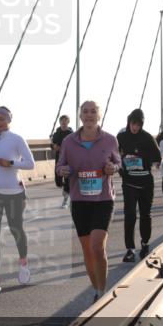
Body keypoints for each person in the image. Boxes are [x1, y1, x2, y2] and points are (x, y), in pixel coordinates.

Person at [57, 100, 121, 302]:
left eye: (93, 111)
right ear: (80, 116)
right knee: (86, 249)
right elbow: (60, 167)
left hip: (103, 199)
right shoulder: (68, 141)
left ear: (99, 116)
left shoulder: (110, 140)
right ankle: (96, 288)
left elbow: (118, 162)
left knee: (97, 246)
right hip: (79, 200)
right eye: (85, 111)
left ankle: (103, 292)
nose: (89, 115)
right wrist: (63, 170)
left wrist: (113, 168)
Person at [0, 106, 35, 291]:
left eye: (2, 118)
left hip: (14, 193)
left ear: (9, 120)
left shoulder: (17, 139)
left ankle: (24, 263)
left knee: (16, 229)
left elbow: (30, 163)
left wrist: (10, 163)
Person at [116, 109, 161, 262]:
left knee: (145, 215)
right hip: (129, 182)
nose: (135, 127)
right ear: (129, 122)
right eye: (133, 124)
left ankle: (145, 244)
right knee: (129, 215)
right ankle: (130, 249)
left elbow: (157, 156)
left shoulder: (147, 137)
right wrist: (121, 167)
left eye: (138, 124)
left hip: (145, 182)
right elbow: (114, 155)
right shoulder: (121, 137)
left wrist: (144, 157)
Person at [51, 115, 74, 208]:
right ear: (60, 122)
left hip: (69, 159)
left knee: (67, 178)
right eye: (62, 121)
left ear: (68, 122)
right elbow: (51, 145)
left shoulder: (71, 134)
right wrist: (54, 147)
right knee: (58, 180)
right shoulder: (56, 134)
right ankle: (66, 188)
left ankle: (66, 199)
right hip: (59, 159)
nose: (64, 123)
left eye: (66, 121)